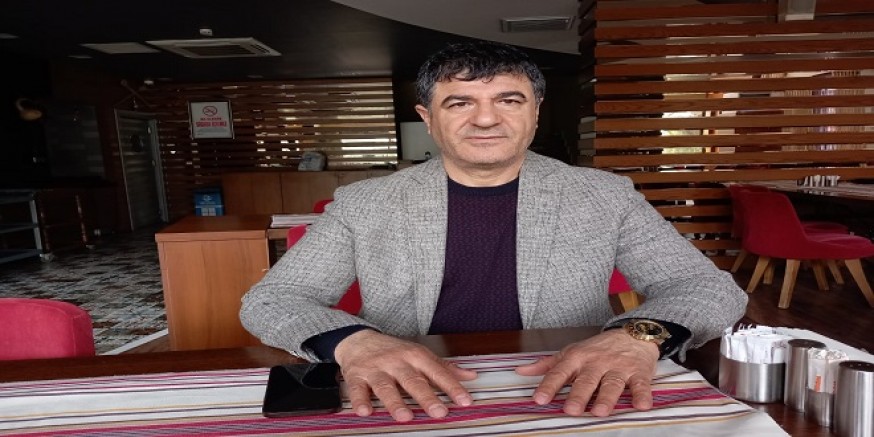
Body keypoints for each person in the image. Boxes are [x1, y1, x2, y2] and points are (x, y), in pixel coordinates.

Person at [240, 40, 747, 423]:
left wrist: (636, 336)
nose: (486, 119)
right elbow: (274, 299)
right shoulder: (365, 202)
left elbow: (703, 287)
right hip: (408, 390)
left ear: (535, 112)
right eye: (460, 103)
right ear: (428, 118)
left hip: (566, 388)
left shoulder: (603, 194)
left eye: (509, 100)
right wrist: (353, 343)